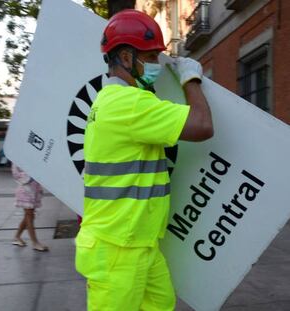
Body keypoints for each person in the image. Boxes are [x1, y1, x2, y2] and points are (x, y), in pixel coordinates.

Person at [75, 10, 213, 311]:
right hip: (116, 251)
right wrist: (190, 79)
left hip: (138, 244)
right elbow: (202, 126)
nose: (156, 66)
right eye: (151, 57)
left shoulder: (109, 100)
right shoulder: (128, 104)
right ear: (126, 57)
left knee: (161, 305)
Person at [11, 164, 49, 252]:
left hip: (34, 191)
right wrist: (31, 174)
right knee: (29, 215)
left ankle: (17, 237)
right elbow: (16, 174)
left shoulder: (30, 155)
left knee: (30, 216)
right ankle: (35, 242)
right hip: (25, 191)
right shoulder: (16, 157)